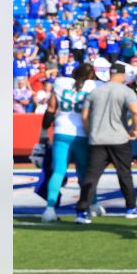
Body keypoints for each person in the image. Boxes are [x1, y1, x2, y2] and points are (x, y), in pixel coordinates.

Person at [75, 62, 137, 223]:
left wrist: (90, 132)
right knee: (124, 174)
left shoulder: (95, 91)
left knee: (91, 176)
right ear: (122, 75)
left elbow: (84, 116)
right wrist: (134, 129)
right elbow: (136, 111)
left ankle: (82, 211)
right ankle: (130, 208)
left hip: (97, 138)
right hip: (118, 138)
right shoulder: (126, 91)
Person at [40, 63, 99, 222]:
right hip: (82, 133)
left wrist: (44, 131)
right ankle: (91, 204)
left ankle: (49, 209)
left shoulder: (60, 83)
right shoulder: (94, 85)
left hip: (61, 131)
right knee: (84, 172)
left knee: (58, 171)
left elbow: (51, 109)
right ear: (91, 75)